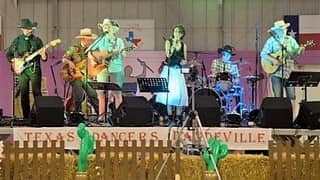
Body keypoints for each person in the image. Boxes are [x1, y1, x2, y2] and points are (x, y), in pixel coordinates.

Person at [260, 20, 305, 117]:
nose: (284, 30)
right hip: (275, 72)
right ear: (277, 31)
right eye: (282, 29)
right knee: (278, 97)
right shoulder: (271, 41)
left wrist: (301, 50)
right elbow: (263, 54)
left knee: (291, 96)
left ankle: (291, 118)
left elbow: (297, 51)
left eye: (285, 28)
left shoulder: (290, 40)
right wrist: (275, 61)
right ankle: (279, 118)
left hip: (288, 72)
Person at [6, 18, 47, 119]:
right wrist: (15, 62)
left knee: (37, 92)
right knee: (24, 94)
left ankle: (38, 116)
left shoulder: (37, 41)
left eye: (28, 29)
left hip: (34, 69)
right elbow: (9, 55)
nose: (27, 30)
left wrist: (43, 55)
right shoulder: (17, 41)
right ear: (22, 29)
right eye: (24, 29)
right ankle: (26, 117)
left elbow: (44, 58)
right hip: (22, 70)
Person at [88, 18, 125, 121]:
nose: (106, 28)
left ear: (113, 28)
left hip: (116, 69)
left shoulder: (119, 41)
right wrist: (94, 61)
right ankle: (101, 117)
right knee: (101, 93)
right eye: (104, 26)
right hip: (102, 69)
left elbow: (123, 54)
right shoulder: (100, 40)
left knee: (117, 93)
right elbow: (90, 52)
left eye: (108, 26)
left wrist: (119, 52)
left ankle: (118, 117)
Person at [155, 24, 188, 125]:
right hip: (169, 69)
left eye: (179, 32)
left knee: (179, 95)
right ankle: (168, 117)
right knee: (168, 94)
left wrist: (183, 62)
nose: (177, 33)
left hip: (178, 70)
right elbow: (168, 55)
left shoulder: (183, 45)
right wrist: (173, 45)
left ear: (182, 34)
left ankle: (178, 117)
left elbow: (185, 60)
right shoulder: (168, 42)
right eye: (175, 31)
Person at [62, 28, 99, 115]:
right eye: (88, 39)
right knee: (78, 94)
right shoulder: (74, 49)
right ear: (82, 39)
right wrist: (70, 62)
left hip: (87, 76)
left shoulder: (92, 51)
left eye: (91, 40)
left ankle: (100, 116)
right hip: (75, 75)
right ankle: (77, 114)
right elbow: (64, 59)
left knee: (93, 94)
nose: (90, 41)